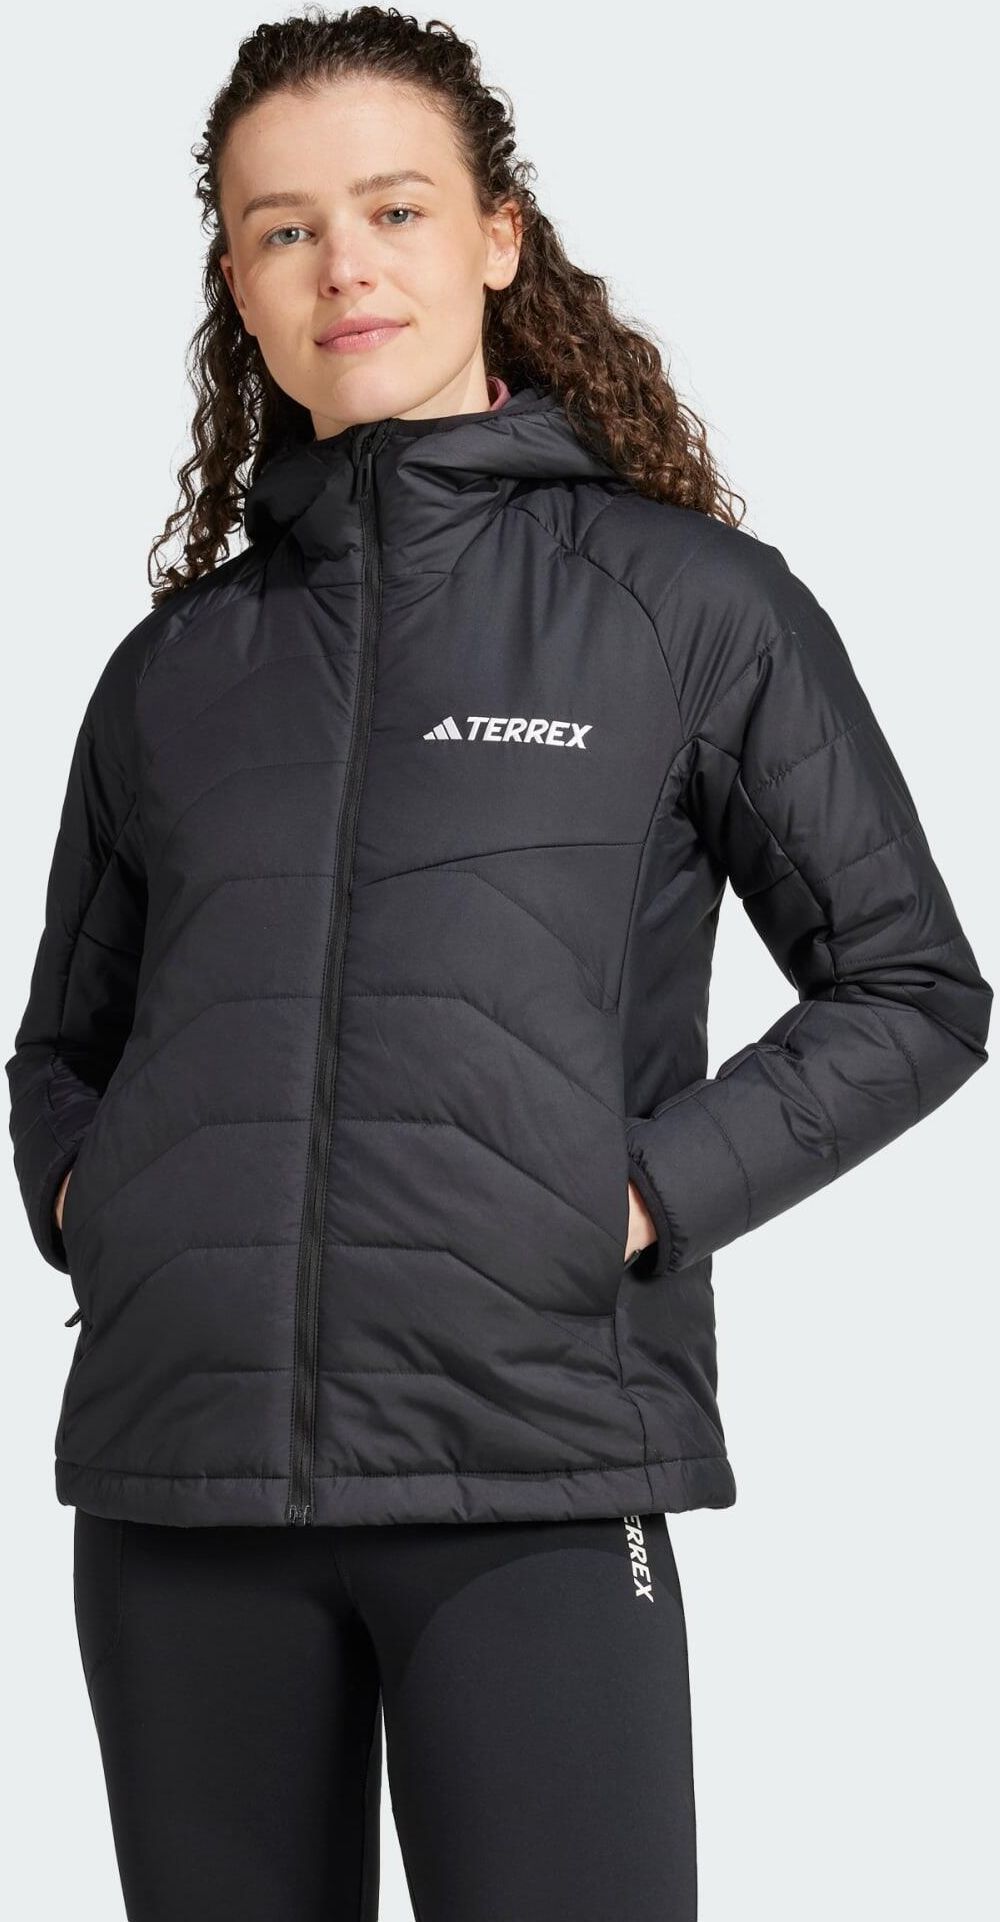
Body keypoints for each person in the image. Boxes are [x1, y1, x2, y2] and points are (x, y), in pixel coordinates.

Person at [6, 9, 992, 1920]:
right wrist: (93, 1200)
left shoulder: (685, 608)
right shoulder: (173, 671)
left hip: (531, 1463)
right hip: (179, 1487)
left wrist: (629, 1196)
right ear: (239, 283)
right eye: (284, 228)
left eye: (393, 208)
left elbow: (913, 987)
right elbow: (64, 1041)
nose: (344, 264)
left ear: (497, 238)